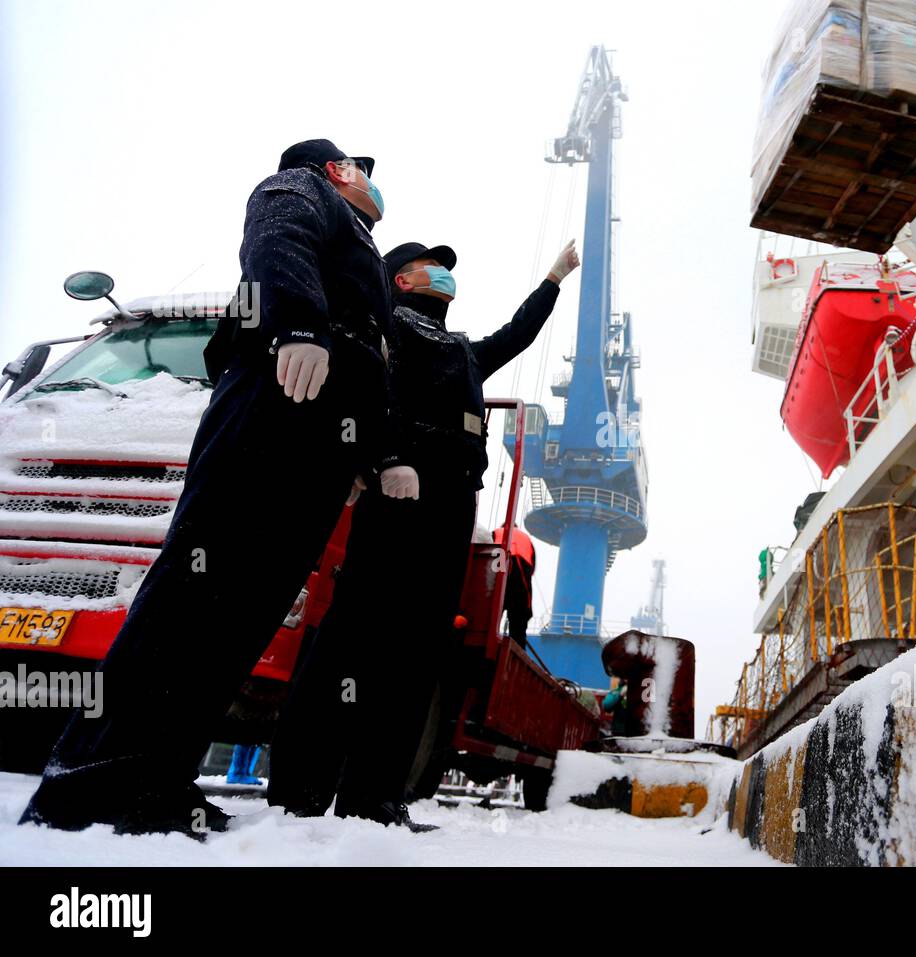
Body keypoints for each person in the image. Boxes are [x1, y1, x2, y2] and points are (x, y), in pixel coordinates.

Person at [20, 139, 393, 838]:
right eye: (364, 172)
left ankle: (157, 778)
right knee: (195, 595)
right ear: (337, 169)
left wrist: (360, 455)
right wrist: (300, 325)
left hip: (320, 429)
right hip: (276, 397)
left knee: (243, 611)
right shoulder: (299, 188)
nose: (375, 185)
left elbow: (373, 356)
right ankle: (89, 779)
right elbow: (275, 238)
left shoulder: (364, 249)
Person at [266, 238, 581, 831]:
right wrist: (384, 458)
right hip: (397, 497)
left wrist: (552, 281)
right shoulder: (383, 327)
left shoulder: (460, 349)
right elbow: (365, 393)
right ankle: (300, 789)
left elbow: (515, 335)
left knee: (414, 654)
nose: (443, 274)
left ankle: (375, 797)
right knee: (352, 640)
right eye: (430, 266)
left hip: (451, 510)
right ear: (401, 281)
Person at [493, 524, 535, 647]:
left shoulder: (496, 532)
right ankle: (517, 644)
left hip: (498, 562)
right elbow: (532, 568)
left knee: (492, 609)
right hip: (519, 572)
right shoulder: (526, 539)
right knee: (519, 616)